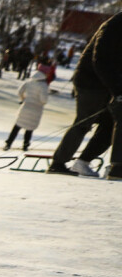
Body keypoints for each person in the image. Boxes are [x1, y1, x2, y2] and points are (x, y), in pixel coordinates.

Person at [48, 13, 122, 178]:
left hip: (107, 83)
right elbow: (100, 59)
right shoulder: (114, 26)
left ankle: (83, 162)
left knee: (111, 124)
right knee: (84, 122)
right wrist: (117, 89)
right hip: (91, 81)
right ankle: (58, 163)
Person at [4, 68, 49, 152]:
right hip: (36, 109)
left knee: (17, 126)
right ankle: (25, 146)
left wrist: (23, 99)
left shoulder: (29, 81)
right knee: (29, 128)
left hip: (25, 106)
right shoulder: (43, 85)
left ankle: (8, 143)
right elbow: (44, 100)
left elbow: (20, 91)